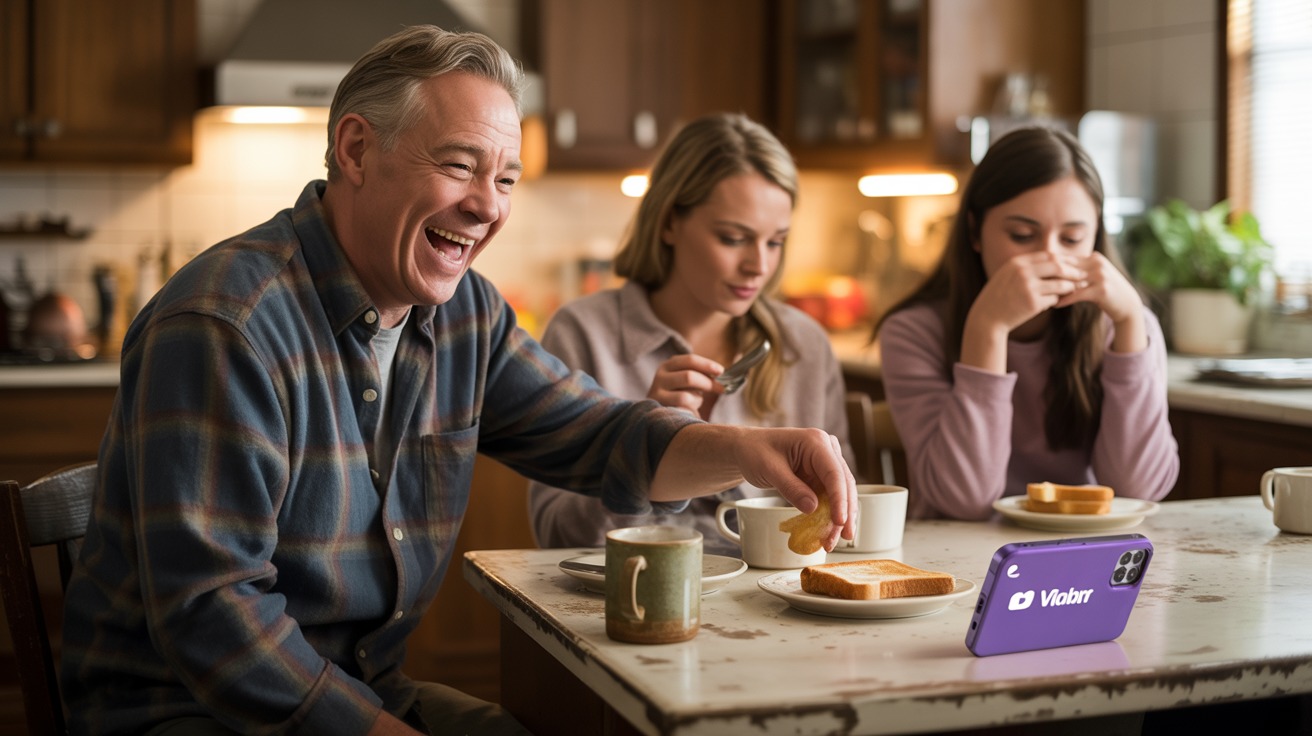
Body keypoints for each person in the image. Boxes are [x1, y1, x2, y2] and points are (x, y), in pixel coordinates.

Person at [58, 26, 856, 736]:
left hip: (367, 690)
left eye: (505, 179)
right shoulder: (224, 323)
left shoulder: (466, 313)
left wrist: (754, 452)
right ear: (357, 150)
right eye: (459, 166)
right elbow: (211, 616)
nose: (486, 207)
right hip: (188, 711)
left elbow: (602, 434)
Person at [528, 113, 854, 555]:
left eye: (775, 242)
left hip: (773, 608)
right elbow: (559, 536)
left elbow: (840, 520)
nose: (758, 265)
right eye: (733, 238)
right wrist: (645, 446)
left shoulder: (804, 345)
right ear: (668, 223)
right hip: (634, 604)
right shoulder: (583, 334)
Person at [874, 126, 1178, 520]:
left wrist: (1130, 323)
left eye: (1071, 239)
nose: (1050, 258)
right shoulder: (912, 332)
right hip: (957, 562)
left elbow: (1139, 491)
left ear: (1096, 237)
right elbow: (964, 501)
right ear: (974, 232)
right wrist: (987, 328)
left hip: (1085, 555)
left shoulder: (1126, 328)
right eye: (1022, 235)